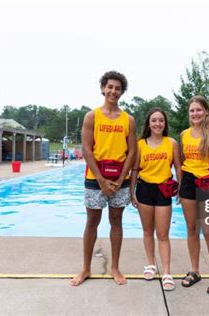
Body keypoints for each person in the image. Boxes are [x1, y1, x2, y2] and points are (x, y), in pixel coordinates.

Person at [71, 71, 136, 286]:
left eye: (117, 88)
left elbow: (132, 152)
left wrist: (120, 178)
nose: (113, 91)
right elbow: (87, 149)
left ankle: (115, 267)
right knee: (92, 222)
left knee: (116, 221)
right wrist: (100, 179)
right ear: (103, 88)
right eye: (110, 87)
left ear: (122, 92)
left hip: (120, 180)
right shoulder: (92, 116)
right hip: (95, 178)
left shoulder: (129, 120)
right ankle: (85, 268)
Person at [178, 95, 209, 294]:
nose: (195, 113)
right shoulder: (184, 135)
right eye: (192, 110)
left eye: (199, 110)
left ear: (206, 112)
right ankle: (195, 270)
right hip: (189, 184)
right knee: (191, 229)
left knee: (208, 232)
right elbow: (183, 162)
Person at [130, 108, 182, 291]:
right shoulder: (140, 144)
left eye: (161, 120)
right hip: (144, 188)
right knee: (147, 231)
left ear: (165, 123)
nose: (158, 124)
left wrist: (181, 188)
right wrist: (132, 191)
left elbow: (178, 166)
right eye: (154, 120)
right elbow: (135, 170)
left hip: (163, 189)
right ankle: (151, 264)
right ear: (149, 124)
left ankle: (167, 272)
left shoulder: (172, 143)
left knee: (162, 234)